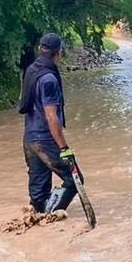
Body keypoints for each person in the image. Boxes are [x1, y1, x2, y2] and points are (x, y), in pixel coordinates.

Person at [18, 33, 80, 214]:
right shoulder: (49, 79)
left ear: (40, 49)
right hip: (45, 140)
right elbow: (52, 117)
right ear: (58, 53)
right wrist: (64, 148)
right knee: (74, 180)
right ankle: (50, 217)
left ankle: (38, 220)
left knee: (38, 193)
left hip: (29, 139)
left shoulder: (31, 71)